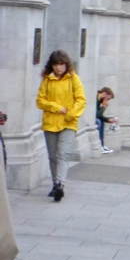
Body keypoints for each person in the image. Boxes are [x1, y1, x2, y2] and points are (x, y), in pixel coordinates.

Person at [36, 50, 87, 202]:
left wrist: (71, 114)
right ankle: (55, 184)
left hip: (68, 123)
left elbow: (81, 100)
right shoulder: (47, 80)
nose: (59, 68)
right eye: (56, 64)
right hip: (51, 122)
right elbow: (40, 101)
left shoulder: (73, 79)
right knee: (53, 156)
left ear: (66, 65)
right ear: (51, 66)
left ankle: (60, 184)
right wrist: (56, 107)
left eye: (61, 64)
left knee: (62, 154)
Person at [95, 87, 117, 154]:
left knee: (101, 121)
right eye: (107, 99)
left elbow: (98, 115)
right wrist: (104, 107)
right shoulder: (95, 99)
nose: (107, 101)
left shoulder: (99, 99)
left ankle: (101, 144)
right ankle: (100, 145)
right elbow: (96, 115)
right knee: (98, 121)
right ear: (104, 94)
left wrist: (108, 120)